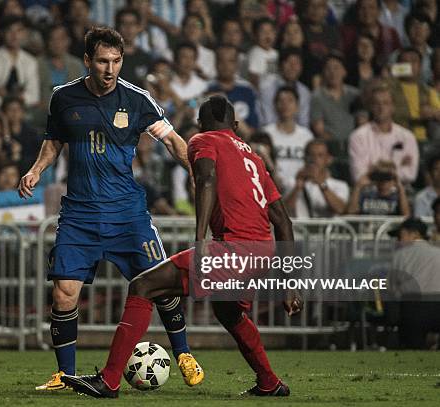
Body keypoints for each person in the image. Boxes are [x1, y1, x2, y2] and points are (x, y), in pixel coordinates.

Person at [60, 95, 301, 398]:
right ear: (236, 126)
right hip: (261, 252)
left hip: (233, 251)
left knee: (143, 286)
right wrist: (290, 283)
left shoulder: (202, 140)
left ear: (201, 124)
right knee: (229, 312)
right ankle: (269, 382)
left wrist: (200, 241)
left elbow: (207, 179)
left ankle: (108, 380)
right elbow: (283, 222)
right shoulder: (254, 158)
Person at [18, 27, 203, 391]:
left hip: (127, 215)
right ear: (87, 60)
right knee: (63, 292)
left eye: (116, 61)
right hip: (80, 215)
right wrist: (36, 170)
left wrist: (198, 172)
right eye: (102, 61)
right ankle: (65, 374)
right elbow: (54, 141)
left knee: (162, 286)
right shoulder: (64, 98)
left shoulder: (137, 100)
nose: (110, 69)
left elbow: (172, 141)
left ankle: (182, 352)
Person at [348, 83, 419, 184]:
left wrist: (375, 168)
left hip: (400, 191)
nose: (381, 108)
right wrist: (396, 166)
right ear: (371, 107)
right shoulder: (358, 136)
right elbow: (358, 175)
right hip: (369, 193)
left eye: (386, 103)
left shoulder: (407, 137)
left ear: (393, 107)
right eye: (377, 103)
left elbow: (410, 175)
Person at [388, 217, 440, 349]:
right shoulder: (438, 252)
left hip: (413, 310)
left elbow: (392, 289)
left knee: (413, 352)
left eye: (400, 236)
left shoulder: (400, 255)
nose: (398, 241)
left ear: (415, 234)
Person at [263, 86, 314, 191]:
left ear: (297, 106)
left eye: (290, 101)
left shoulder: (307, 136)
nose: (285, 105)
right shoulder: (266, 133)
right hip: (271, 190)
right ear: (275, 106)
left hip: (300, 190)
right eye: (281, 101)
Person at [285, 140, 349, 218]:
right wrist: (296, 188)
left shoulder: (340, 185)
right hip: (299, 229)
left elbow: (340, 209)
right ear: (305, 158)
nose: (314, 159)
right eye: (311, 155)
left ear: (329, 159)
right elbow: (284, 212)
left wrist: (322, 184)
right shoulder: (292, 183)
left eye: (320, 155)